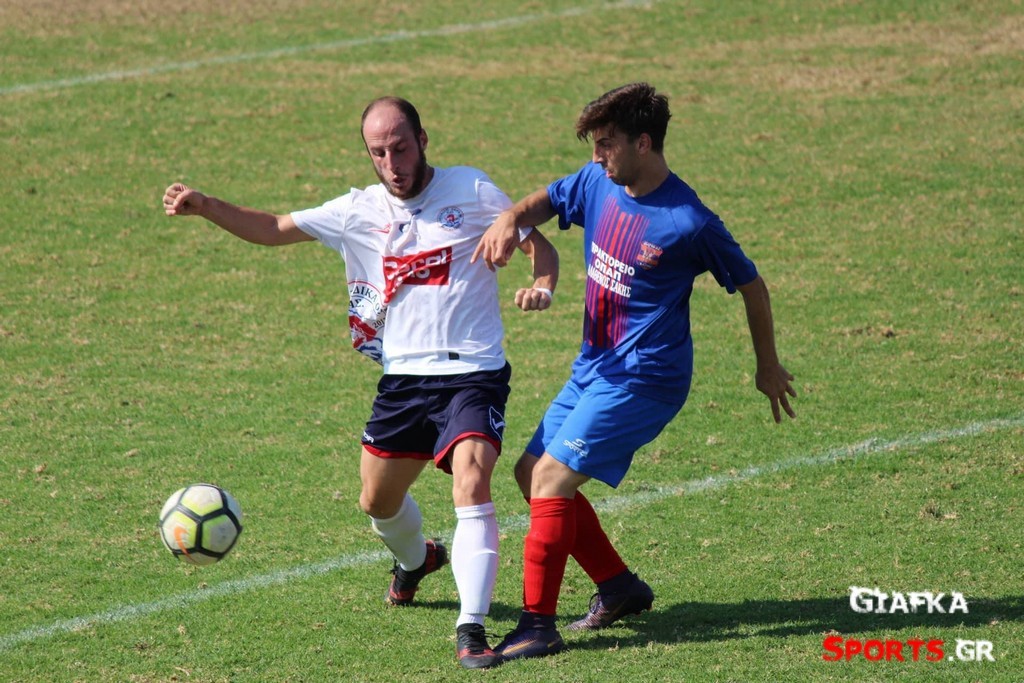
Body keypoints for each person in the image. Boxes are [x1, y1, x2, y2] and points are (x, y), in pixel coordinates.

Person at [162, 96, 559, 670]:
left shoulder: (472, 191)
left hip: (473, 372)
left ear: (423, 140)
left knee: (472, 481)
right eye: (379, 153)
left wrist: (542, 286)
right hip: (403, 380)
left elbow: (537, 245)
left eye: (401, 148)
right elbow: (273, 228)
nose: (392, 163)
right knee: (377, 501)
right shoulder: (357, 210)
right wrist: (206, 206)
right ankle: (418, 559)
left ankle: (472, 629)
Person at [471, 82, 797, 661]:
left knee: (550, 480)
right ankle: (619, 586)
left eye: (607, 144)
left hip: (645, 380)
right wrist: (511, 218)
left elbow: (752, 285)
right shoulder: (599, 182)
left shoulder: (689, 221)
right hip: (595, 366)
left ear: (643, 143)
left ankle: (538, 626)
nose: (597, 156)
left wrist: (766, 366)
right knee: (529, 473)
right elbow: (548, 199)